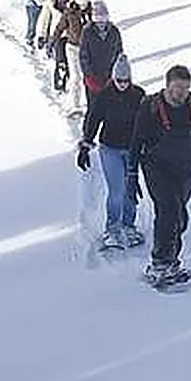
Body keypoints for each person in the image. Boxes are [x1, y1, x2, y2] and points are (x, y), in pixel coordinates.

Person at [129, 64, 191, 285]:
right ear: (167, 85)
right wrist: (131, 174)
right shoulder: (151, 106)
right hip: (156, 168)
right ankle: (159, 263)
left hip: (184, 169)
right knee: (169, 211)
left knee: (180, 218)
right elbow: (136, 140)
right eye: (176, 88)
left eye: (185, 88)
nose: (180, 93)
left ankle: (172, 261)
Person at [78, 54, 146, 249]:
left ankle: (129, 225)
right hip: (110, 148)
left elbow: (146, 122)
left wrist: (149, 145)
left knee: (130, 188)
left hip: (132, 149)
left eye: (126, 81)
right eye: (119, 80)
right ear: (113, 78)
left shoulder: (139, 95)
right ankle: (112, 229)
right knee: (117, 190)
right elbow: (93, 120)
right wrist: (85, 144)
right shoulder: (104, 96)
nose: (122, 84)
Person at [50, 0, 91, 103]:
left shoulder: (92, 13)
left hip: (88, 49)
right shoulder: (69, 13)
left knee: (89, 78)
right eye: (81, 4)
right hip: (72, 47)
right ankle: (75, 103)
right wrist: (52, 41)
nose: (83, 6)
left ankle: (91, 103)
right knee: (75, 77)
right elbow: (59, 27)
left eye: (85, 3)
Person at [36, 0, 75, 91]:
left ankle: (72, 83)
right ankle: (59, 84)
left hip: (72, 34)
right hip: (58, 34)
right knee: (61, 60)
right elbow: (44, 18)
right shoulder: (50, 1)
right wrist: (41, 35)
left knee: (72, 62)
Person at [79, 0, 124, 98]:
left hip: (109, 75)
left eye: (103, 19)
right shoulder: (88, 32)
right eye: (98, 20)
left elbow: (119, 52)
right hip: (93, 77)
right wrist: (89, 73)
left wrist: (117, 70)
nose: (101, 23)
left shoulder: (114, 32)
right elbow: (83, 55)